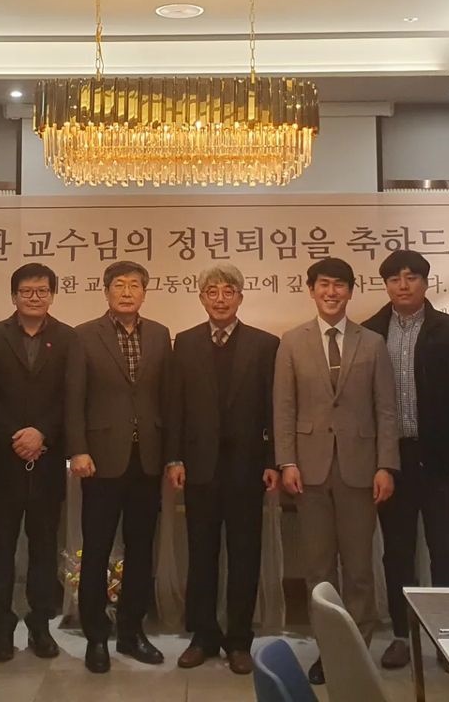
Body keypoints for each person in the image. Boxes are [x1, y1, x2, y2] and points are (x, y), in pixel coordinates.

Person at [273, 256, 398, 685]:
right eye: (323, 284)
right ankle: (328, 651)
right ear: (311, 290)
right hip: (308, 471)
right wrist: (287, 461)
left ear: (350, 291)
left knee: (359, 568)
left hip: (360, 470)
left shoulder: (373, 343)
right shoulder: (292, 342)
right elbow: (284, 408)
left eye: (339, 285)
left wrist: (386, 465)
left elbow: (386, 409)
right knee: (318, 569)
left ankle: (358, 651)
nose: (331, 292)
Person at [362, 250, 449, 671]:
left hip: (441, 457)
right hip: (391, 459)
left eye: (411, 277)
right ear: (385, 285)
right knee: (397, 553)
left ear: (425, 282)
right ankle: (401, 635)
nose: (403, 285)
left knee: (445, 550)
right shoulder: (370, 332)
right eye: (394, 278)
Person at [165, 264, 280, 676]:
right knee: (201, 555)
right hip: (200, 467)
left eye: (228, 291)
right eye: (211, 291)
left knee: (245, 556)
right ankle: (203, 636)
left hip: (248, 468)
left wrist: (272, 461)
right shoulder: (186, 342)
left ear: (240, 297)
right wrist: (175, 458)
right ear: (201, 297)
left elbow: (274, 408)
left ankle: (239, 641)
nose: (220, 298)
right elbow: (175, 404)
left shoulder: (265, 344)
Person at [66, 260, 171, 674]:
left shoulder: (160, 334)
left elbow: (166, 397)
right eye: (119, 285)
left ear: (145, 292)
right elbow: (73, 398)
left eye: (135, 286)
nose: (127, 292)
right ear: (106, 290)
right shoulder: (83, 335)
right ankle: (96, 637)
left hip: (147, 458)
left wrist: (170, 453)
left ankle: (132, 631)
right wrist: (78, 449)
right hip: (100, 459)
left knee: (141, 549)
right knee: (96, 549)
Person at [0, 263, 76, 661]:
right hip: (2, 463)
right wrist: (16, 436)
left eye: (42, 291)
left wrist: (42, 434)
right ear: (13, 296)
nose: (34, 297)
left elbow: (71, 397)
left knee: (44, 551)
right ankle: (1, 631)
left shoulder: (68, 338)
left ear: (52, 295)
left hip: (47, 464)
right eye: (26, 291)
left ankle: (40, 627)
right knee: (0, 552)